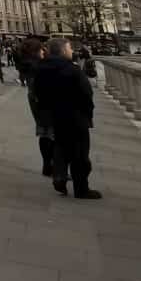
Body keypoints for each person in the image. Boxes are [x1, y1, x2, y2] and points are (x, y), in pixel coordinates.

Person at [33, 37, 100, 199]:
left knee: (61, 147)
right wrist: (88, 114)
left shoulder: (41, 69)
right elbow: (86, 94)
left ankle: (59, 176)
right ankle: (81, 188)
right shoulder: (73, 69)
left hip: (55, 115)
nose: (72, 51)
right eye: (70, 48)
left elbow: (37, 93)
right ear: (63, 50)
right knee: (80, 154)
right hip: (76, 116)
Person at [20, 37, 55, 176]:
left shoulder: (30, 64)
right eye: (41, 48)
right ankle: (53, 166)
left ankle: (47, 165)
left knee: (44, 133)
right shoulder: (38, 66)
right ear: (35, 51)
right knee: (50, 133)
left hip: (36, 100)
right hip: (43, 101)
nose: (43, 50)